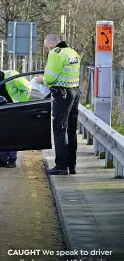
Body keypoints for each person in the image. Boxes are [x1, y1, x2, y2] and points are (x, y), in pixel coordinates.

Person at [37, 34, 81, 175]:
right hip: (75, 92)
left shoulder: (55, 54)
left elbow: (49, 78)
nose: (47, 49)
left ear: (51, 43)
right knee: (71, 130)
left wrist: (41, 79)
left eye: (47, 46)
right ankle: (71, 165)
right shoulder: (72, 52)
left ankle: (61, 166)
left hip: (62, 95)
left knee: (59, 130)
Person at [0, 63, 31, 168]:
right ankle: (2, 159)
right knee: (3, 135)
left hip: (15, 109)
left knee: (13, 135)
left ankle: (12, 160)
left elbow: (27, 88)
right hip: (0, 110)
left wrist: (20, 104)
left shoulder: (11, 77)